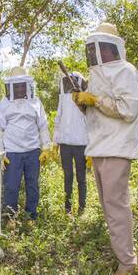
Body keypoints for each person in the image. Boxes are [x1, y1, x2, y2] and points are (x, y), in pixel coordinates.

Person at [72, 22, 138, 275]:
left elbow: (128, 110)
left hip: (116, 148)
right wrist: (82, 103)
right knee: (109, 206)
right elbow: (96, 113)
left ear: (110, 47)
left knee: (116, 206)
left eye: (98, 47)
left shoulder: (126, 71)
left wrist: (96, 100)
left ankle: (127, 263)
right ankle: (121, 255)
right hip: (100, 148)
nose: (94, 53)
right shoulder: (97, 75)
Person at [0, 66, 56, 220]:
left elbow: (43, 126)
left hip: (33, 151)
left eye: (23, 85)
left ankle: (31, 216)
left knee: (33, 185)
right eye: (17, 85)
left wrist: (46, 148)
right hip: (12, 153)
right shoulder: (4, 104)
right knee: (11, 187)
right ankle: (10, 217)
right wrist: (0, 153)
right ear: (11, 87)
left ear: (28, 85)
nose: (20, 88)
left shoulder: (36, 102)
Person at [53, 72, 89, 214]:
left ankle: (82, 207)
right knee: (68, 176)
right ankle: (67, 208)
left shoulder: (86, 98)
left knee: (82, 177)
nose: (69, 85)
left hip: (82, 144)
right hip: (65, 144)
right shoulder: (63, 98)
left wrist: (92, 145)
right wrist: (55, 142)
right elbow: (58, 118)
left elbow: (90, 120)